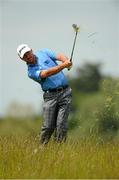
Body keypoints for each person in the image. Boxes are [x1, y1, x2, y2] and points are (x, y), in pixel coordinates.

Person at [17, 44, 72, 144]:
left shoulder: (43, 52)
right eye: (25, 56)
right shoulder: (31, 72)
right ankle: (42, 149)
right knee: (48, 126)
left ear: (31, 50)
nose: (28, 56)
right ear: (22, 59)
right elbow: (46, 73)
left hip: (65, 93)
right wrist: (64, 65)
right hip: (50, 97)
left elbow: (59, 56)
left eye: (28, 53)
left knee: (61, 124)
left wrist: (66, 61)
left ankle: (59, 151)